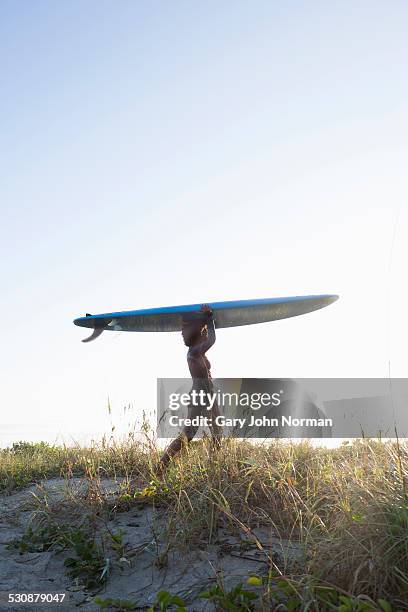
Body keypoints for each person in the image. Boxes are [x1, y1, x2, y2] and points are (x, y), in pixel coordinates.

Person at [158, 304, 222, 472]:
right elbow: (212, 340)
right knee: (188, 435)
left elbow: (208, 340)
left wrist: (207, 320)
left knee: (217, 432)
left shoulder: (198, 351)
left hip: (209, 395)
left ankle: (214, 469)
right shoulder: (194, 352)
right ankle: (160, 467)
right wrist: (209, 317)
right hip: (200, 396)